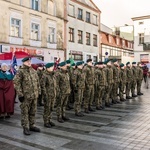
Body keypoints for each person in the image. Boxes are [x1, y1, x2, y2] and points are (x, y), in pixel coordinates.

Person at [14, 57, 41, 135]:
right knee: (25, 113)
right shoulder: (20, 71)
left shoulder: (33, 71)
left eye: (30, 61)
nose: (29, 62)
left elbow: (37, 82)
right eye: (27, 61)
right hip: (25, 97)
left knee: (33, 111)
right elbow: (16, 83)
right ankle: (25, 127)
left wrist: (38, 91)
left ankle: (32, 125)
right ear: (24, 62)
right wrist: (20, 95)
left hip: (34, 95)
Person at [40, 63, 56, 128]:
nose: (53, 68)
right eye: (52, 67)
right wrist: (45, 95)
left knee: (51, 108)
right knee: (47, 109)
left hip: (53, 94)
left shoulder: (52, 75)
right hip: (47, 95)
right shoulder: (45, 75)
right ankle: (46, 121)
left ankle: (49, 120)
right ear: (47, 68)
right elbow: (42, 86)